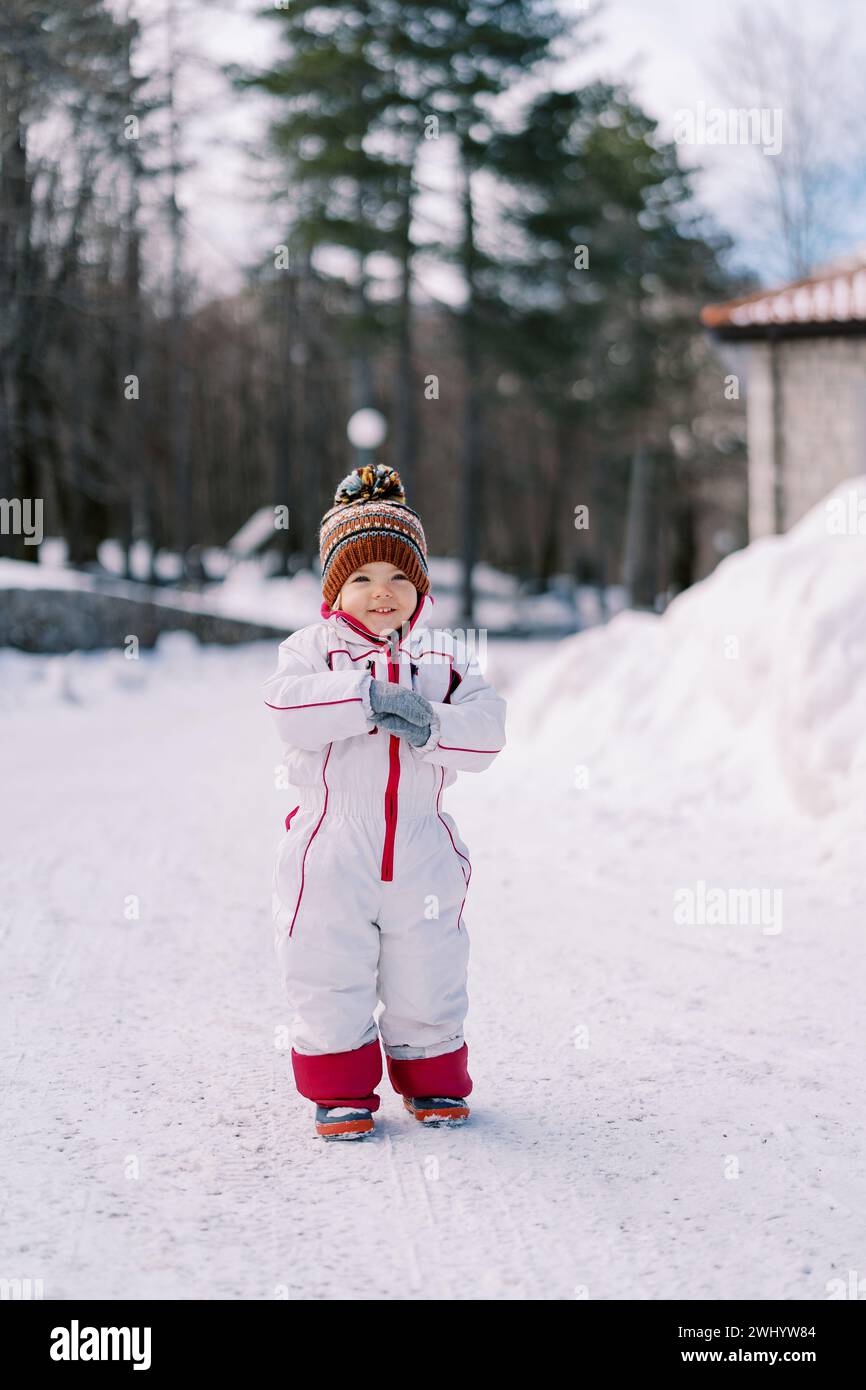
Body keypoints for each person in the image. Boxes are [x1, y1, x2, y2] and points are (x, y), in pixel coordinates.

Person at [263, 463, 508, 1139]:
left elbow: (488, 733)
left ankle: (432, 1081)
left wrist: (432, 722)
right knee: (327, 962)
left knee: (428, 966)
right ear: (335, 587)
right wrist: (364, 698)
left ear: (421, 588)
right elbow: (287, 708)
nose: (382, 593)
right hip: (333, 843)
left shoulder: (443, 661)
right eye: (362, 578)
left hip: (422, 845)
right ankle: (340, 1088)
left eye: (401, 577)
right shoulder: (310, 652)